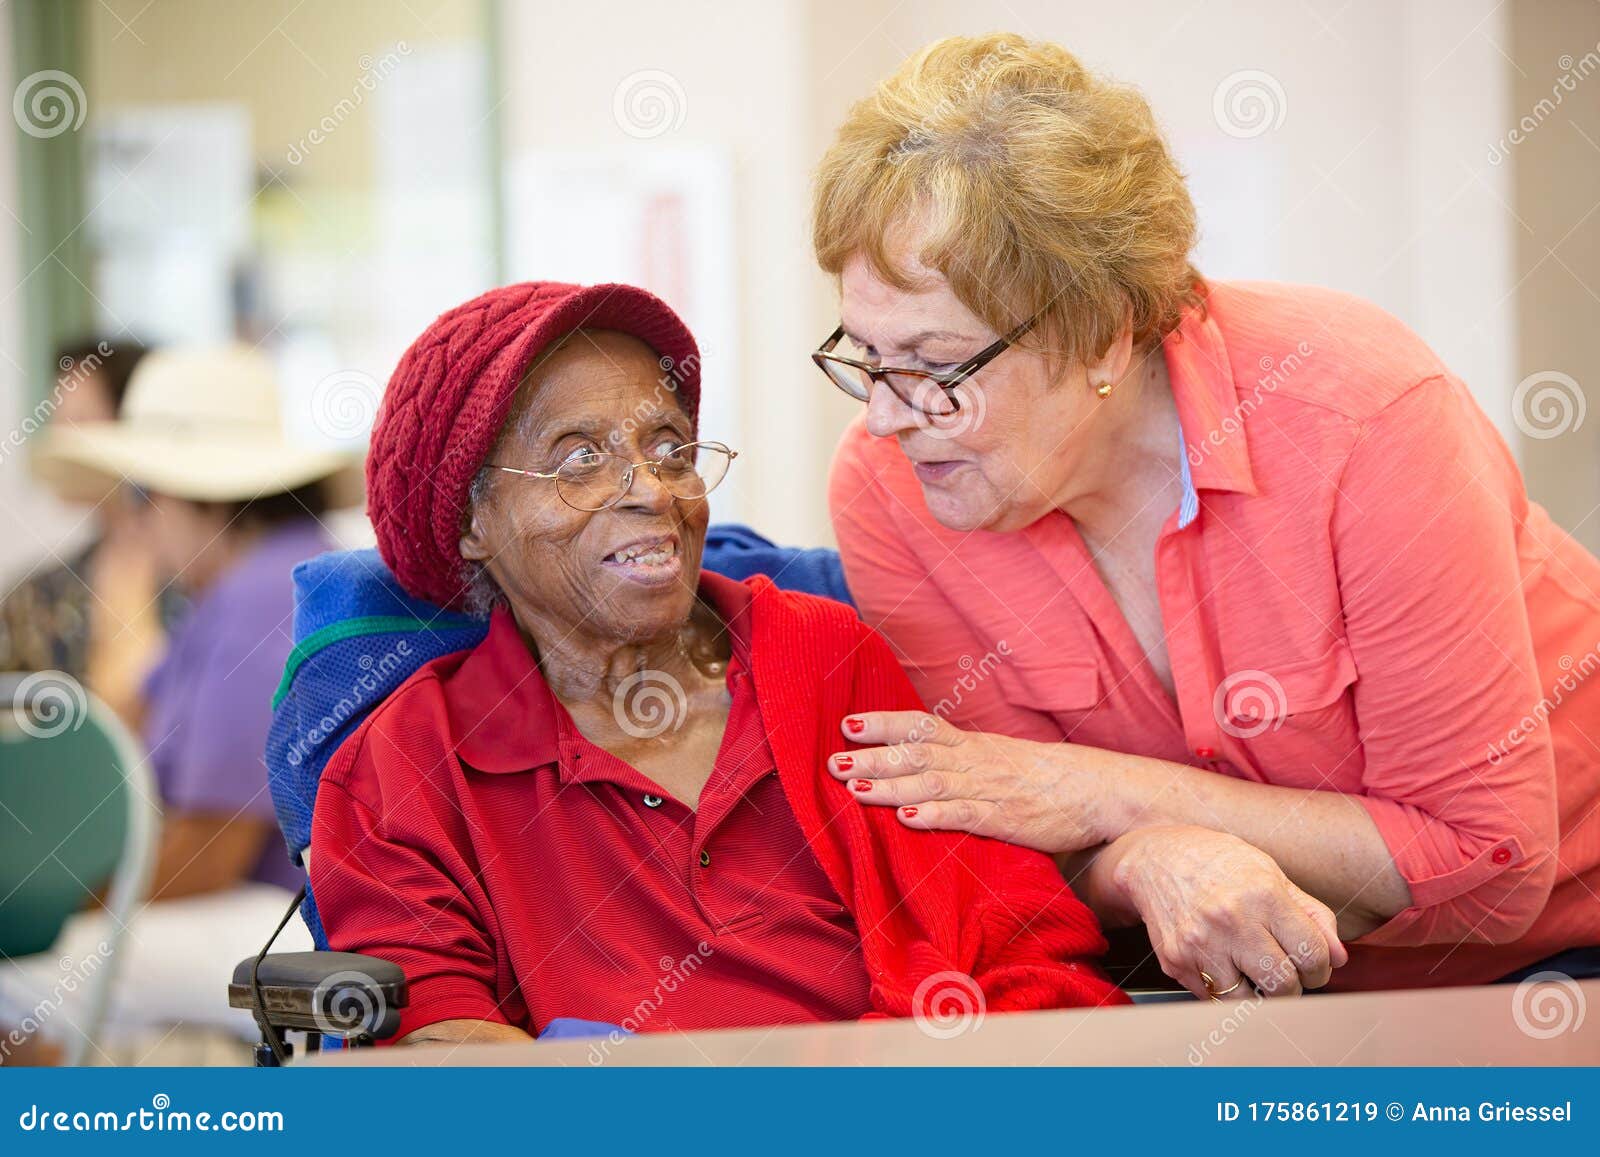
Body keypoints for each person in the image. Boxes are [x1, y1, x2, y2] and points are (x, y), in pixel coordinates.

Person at [814, 33, 1600, 998]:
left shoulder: (1361, 414)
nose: (885, 416)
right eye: (865, 355)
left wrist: (1110, 792)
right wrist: (1153, 855)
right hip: (1264, 991)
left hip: (1559, 949)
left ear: (1099, 333)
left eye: (936, 367)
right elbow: (1011, 844)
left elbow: (1490, 872)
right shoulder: (890, 488)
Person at [311, 281, 1126, 1045]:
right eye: (576, 459)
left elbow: (1029, 953)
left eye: (669, 447)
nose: (655, 492)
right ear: (470, 524)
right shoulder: (401, 768)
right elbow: (450, 1070)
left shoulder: (822, 654)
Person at [0, 344, 362, 1050]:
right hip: (289, 908)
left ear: (191, 494)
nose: (134, 520)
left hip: (298, 915)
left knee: (21, 975)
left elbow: (214, 848)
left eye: (140, 494)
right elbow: (128, 731)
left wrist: (55, 907)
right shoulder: (258, 578)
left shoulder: (260, 597)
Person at [0, 338, 175, 726]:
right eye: (55, 421)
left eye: (79, 422)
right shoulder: (32, 600)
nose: (58, 444)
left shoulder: (201, 585)